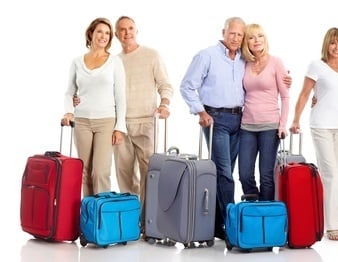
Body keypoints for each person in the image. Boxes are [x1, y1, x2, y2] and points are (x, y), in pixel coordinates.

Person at [180, 17, 291, 240]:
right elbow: (187, 86)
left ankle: (237, 220)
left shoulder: (244, 59)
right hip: (217, 120)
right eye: (234, 34)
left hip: (239, 121)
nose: (236, 38)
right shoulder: (207, 55)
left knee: (231, 174)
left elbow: (278, 86)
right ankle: (231, 224)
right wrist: (200, 112)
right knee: (227, 173)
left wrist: (286, 81)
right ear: (224, 32)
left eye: (241, 35)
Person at [290, 27, 338, 241]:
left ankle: (332, 218)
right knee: (330, 174)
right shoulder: (316, 66)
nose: (337, 47)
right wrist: (296, 119)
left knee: (336, 175)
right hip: (321, 125)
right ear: (327, 44)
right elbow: (305, 93)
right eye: (333, 43)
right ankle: (332, 225)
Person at [112, 16, 174, 224]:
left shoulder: (151, 55)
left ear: (136, 31)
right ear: (116, 34)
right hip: (120, 124)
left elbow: (165, 85)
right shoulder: (114, 61)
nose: (127, 32)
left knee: (150, 173)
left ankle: (148, 221)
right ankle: (131, 220)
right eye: (122, 30)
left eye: (130, 28)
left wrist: (164, 104)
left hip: (147, 121)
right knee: (124, 174)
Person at [62, 17, 127, 197]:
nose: (103, 36)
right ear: (91, 33)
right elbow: (69, 91)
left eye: (107, 33)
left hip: (106, 121)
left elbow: (121, 96)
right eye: (100, 31)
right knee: (84, 171)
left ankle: (101, 217)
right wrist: (68, 111)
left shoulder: (115, 62)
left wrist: (120, 127)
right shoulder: (77, 61)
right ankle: (89, 218)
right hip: (82, 121)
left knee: (100, 171)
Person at [238, 23, 290, 201]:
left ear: (265, 39)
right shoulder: (244, 63)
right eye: (251, 37)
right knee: (244, 174)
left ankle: (266, 218)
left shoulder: (276, 62)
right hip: (247, 127)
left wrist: (282, 125)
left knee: (266, 177)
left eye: (260, 36)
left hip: (270, 127)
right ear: (247, 42)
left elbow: (285, 97)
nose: (256, 40)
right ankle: (254, 211)